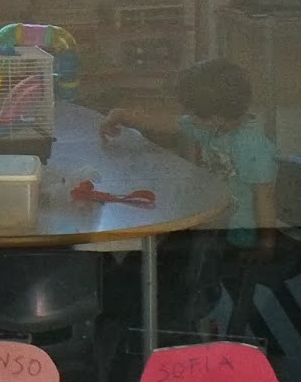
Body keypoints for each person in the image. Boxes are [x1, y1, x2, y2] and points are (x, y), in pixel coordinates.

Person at [102, 59, 278, 324]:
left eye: (194, 113)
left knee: (175, 263)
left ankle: (177, 314)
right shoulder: (211, 127)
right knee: (158, 255)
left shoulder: (252, 146)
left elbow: (265, 198)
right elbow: (165, 123)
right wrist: (123, 115)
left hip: (235, 236)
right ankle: (143, 303)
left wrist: (267, 244)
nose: (189, 118)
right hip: (207, 224)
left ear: (216, 117)